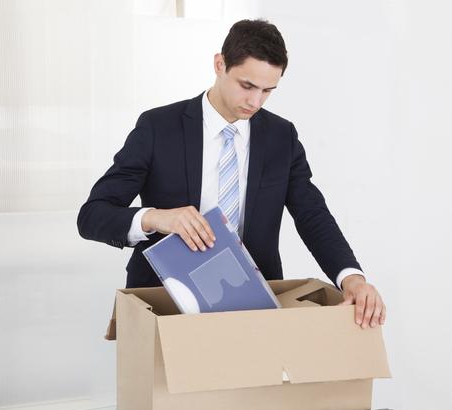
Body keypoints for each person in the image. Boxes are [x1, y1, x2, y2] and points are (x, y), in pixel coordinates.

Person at [77, 19, 385, 329]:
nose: (255, 101)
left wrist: (352, 278)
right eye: (247, 85)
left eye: (268, 90)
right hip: (163, 303)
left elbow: (313, 215)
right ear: (219, 64)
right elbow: (92, 216)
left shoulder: (282, 137)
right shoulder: (158, 128)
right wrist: (156, 218)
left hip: (254, 307)